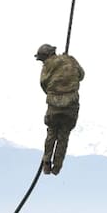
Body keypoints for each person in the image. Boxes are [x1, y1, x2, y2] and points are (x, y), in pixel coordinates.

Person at [36, 43, 84, 174]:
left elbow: (43, 83)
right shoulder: (70, 60)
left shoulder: (47, 66)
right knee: (63, 136)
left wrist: (54, 92)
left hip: (54, 105)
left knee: (51, 133)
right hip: (71, 106)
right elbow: (81, 75)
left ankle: (47, 162)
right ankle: (57, 166)